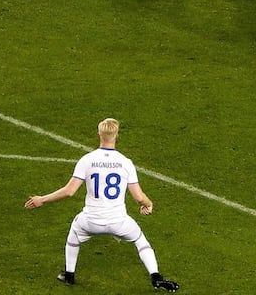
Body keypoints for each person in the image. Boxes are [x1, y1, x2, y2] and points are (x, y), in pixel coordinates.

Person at [24, 118, 179, 291]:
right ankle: (156, 277)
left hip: (90, 221)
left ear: (99, 134)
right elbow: (139, 197)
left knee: (73, 234)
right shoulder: (125, 162)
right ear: (117, 135)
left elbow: (69, 191)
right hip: (118, 221)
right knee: (140, 240)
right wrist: (148, 204)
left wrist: (42, 199)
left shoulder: (87, 160)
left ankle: (69, 275)